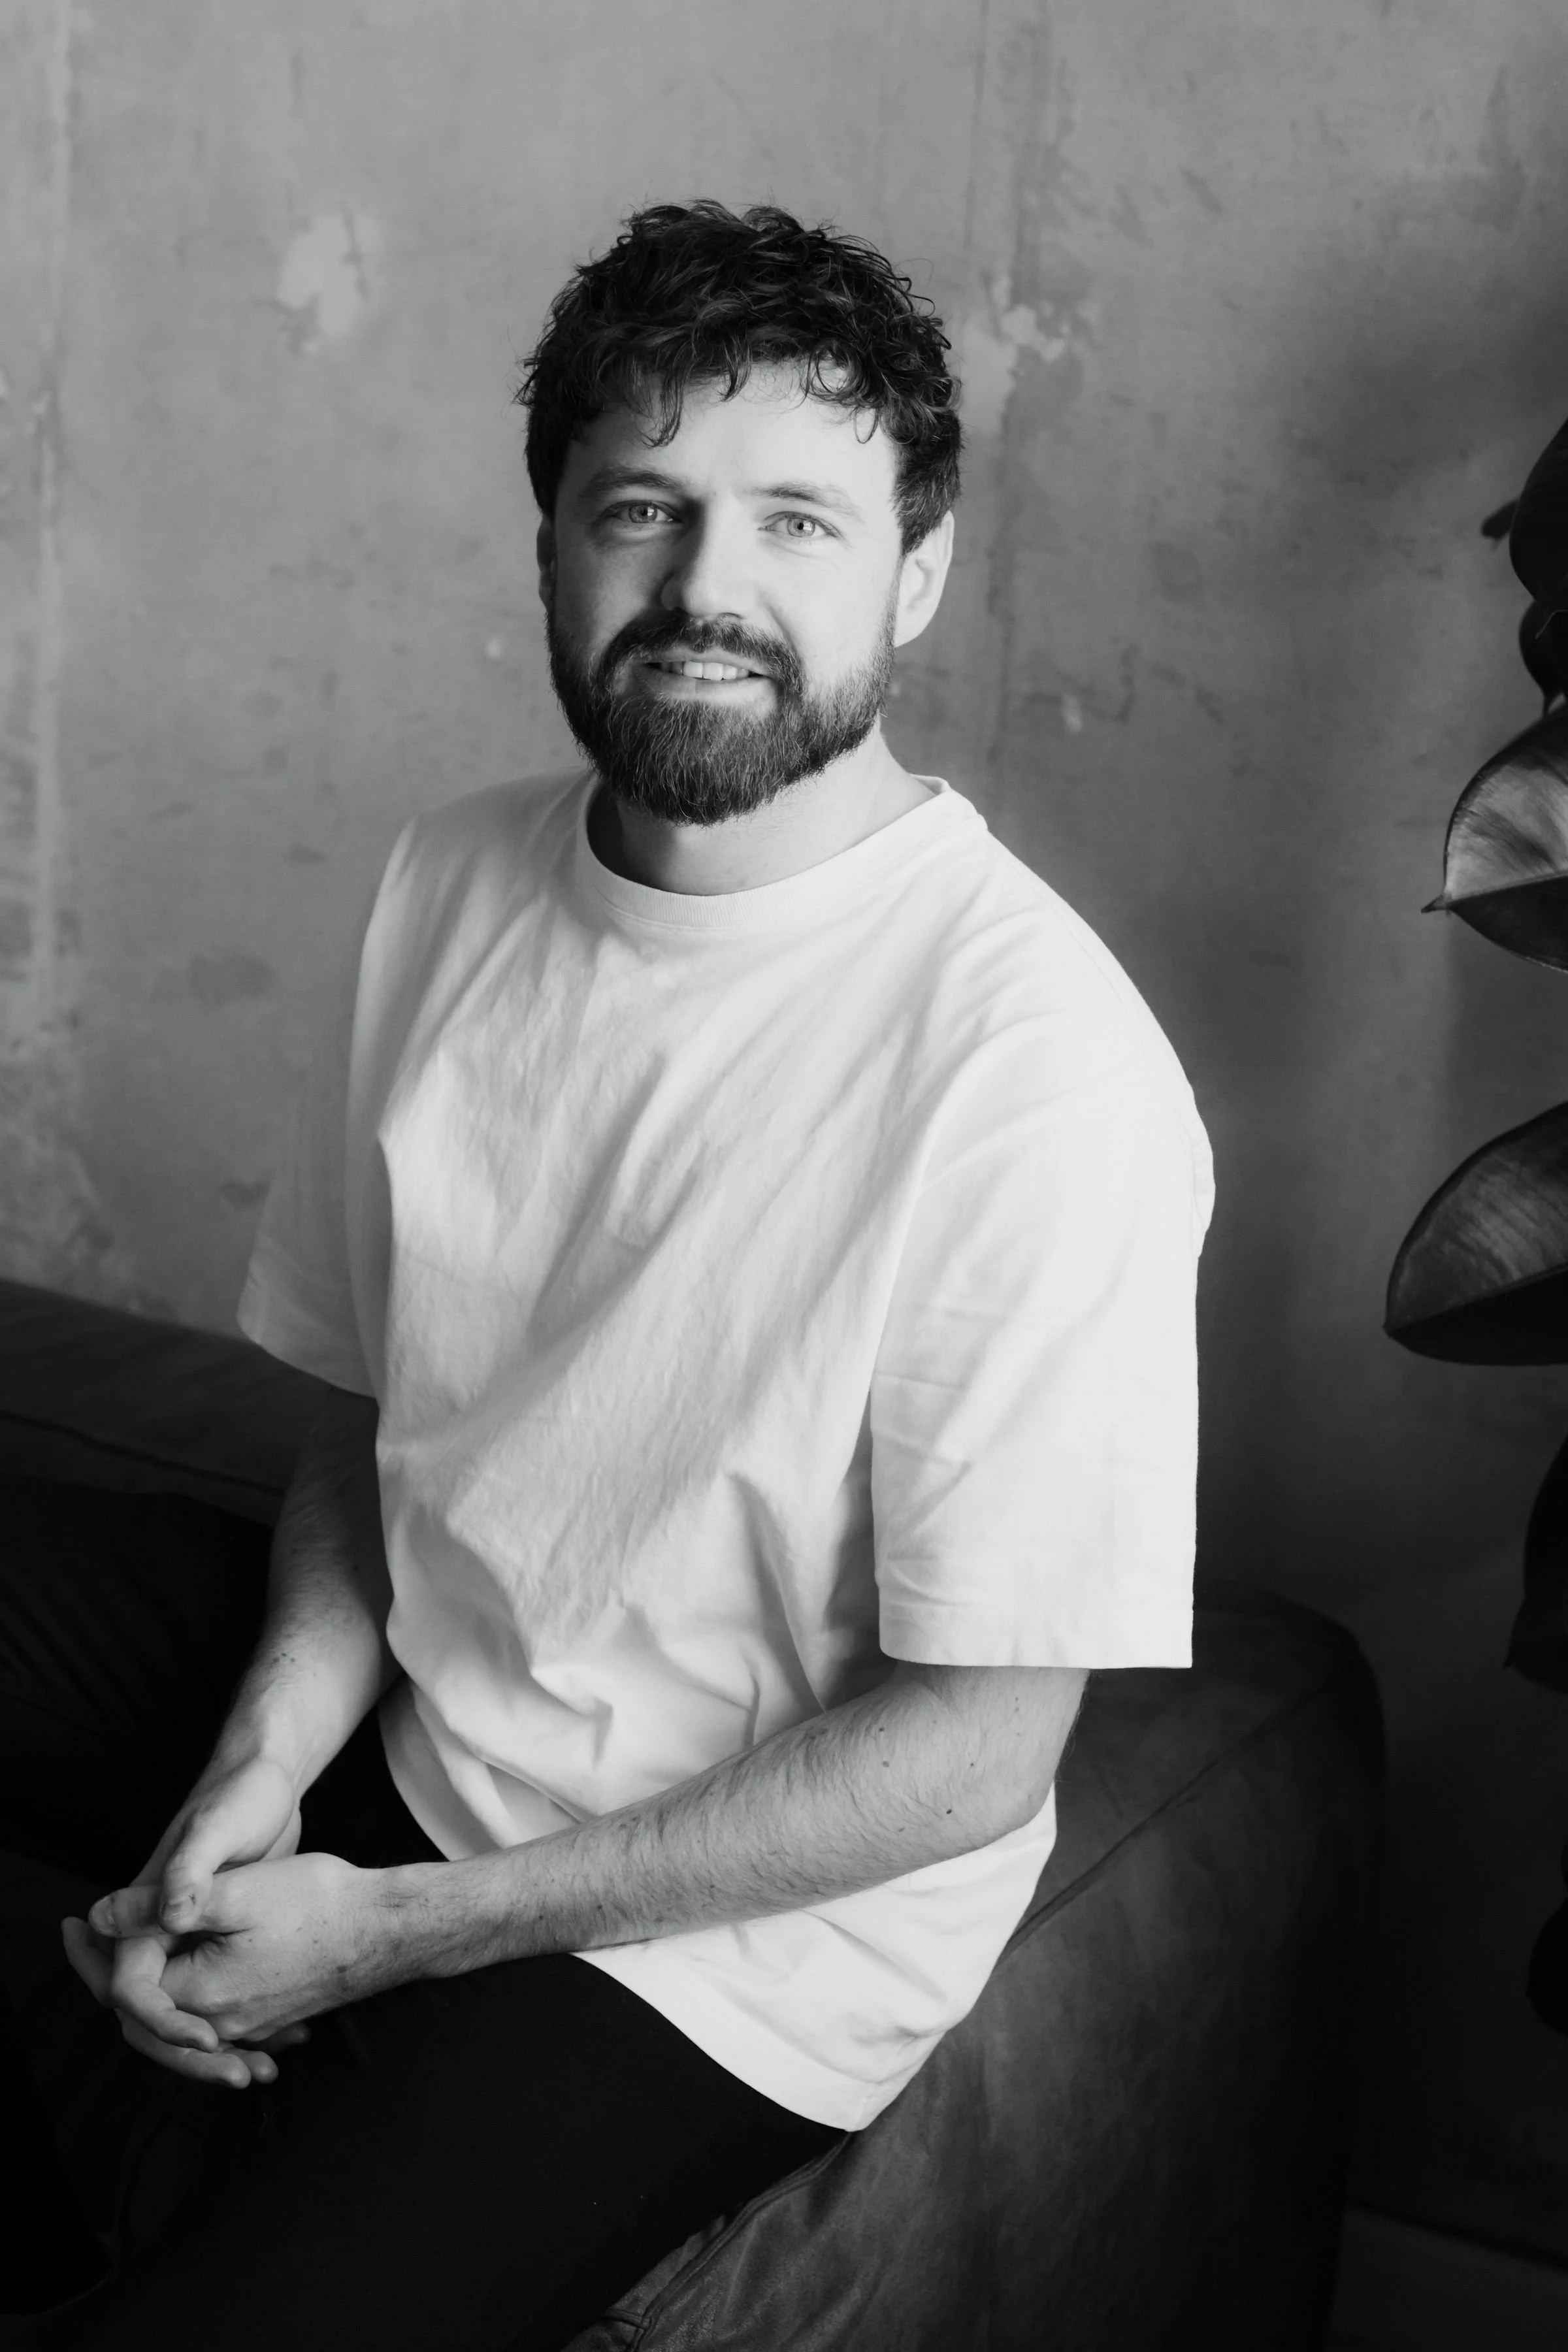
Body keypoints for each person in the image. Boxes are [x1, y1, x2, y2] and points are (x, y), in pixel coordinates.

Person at [0, 199, 1213, 2349]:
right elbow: (370, 1424)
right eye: (640, 505)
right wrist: (262, 1762)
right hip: (420, 1693)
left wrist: (380, 1933)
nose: (707, 590)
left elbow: (972, 1756)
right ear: (552, 540)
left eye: (799, 525)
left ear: (916, 574)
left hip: (710, 1943)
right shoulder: (448, 875)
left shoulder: (1035, 1065)